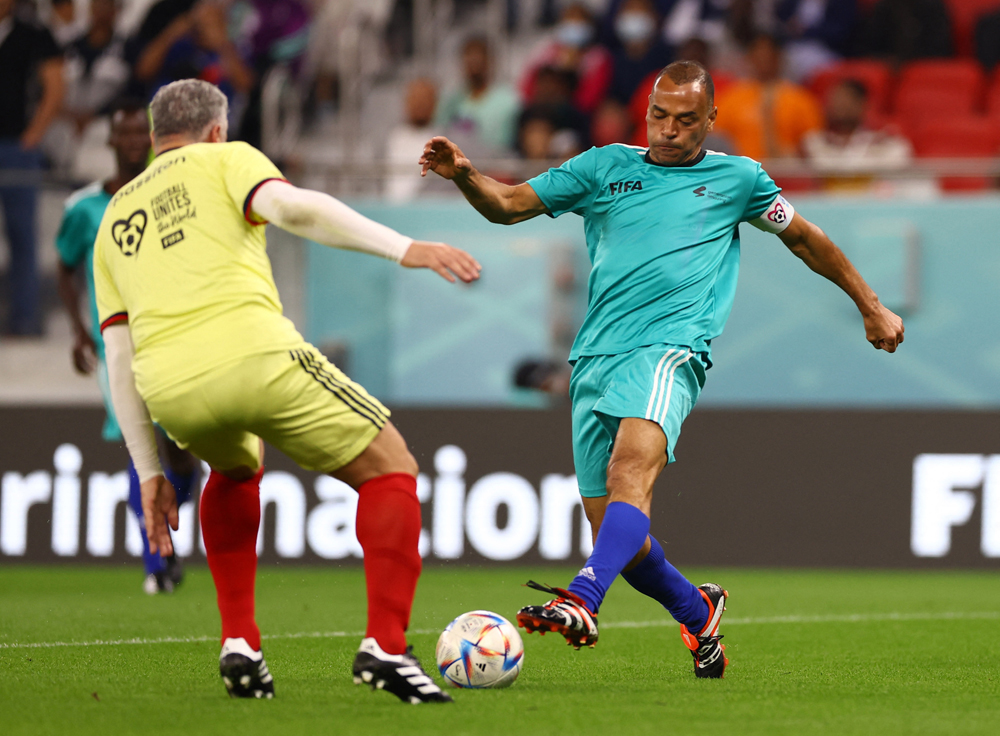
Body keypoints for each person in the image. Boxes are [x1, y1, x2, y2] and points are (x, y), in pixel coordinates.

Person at [420, 61, 904, 679]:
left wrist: (871, 305)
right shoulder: (602, 167)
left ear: (710, 120)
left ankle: (581, 600)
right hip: (595, 356)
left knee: (631, 472)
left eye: (684, 120)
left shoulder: (739, 179)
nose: (668, 130)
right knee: (619, 535)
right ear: (645, 111)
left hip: (671, 347)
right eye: (658, 116)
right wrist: (464, 175)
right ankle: (698, 611)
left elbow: (806, 239)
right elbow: (508, 206)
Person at [94, 79, 478, 702]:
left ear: (156, 134)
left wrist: (148, 471)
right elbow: (295, 210)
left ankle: (240, 642)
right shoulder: (227, 158)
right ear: (216, 129)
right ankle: (385, 645)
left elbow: (117, 354)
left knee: (236, 469)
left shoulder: (113, 219)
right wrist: (404, 247)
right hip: (252, 355)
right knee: (391, 468)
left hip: (168, 388)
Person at [56, 99, 201, 595]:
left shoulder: (171, 195)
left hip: (173, 338)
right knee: (140, 448)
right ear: (112, 140)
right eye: (128, 133)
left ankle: (167, 531)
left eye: (145, 132)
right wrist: (79, 330)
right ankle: (156, 565)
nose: (136, 141)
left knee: (183, 455)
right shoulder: (84, 208)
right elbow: (64, 264)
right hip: (117, 344)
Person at [0, 0, 64, 336]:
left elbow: (55, 86)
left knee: (22, 235)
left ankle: (25, 319)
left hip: (16, 146)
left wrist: (34, 135)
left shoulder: (34, 35)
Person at [712, 32, 823, 160]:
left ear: (779, 57)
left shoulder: (801, 100)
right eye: (758, 55)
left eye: (768, 54)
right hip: (740, 173)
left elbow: (815, 147)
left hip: (787, 173)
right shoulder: (730, 99)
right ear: (749, 58)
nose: (764, 59)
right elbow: (716, 143)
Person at [803, 79, 912, 187]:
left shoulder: (888, 144)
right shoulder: (814, 142)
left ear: (863, 104)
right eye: (836, 99)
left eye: (847, 100)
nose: (840, 105)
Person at [436, 36, 520, 151]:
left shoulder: (509, 100)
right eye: (468, 57)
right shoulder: (451, 101)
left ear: (491, 61)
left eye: (478, 56)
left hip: (497, 162)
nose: (473, 62)